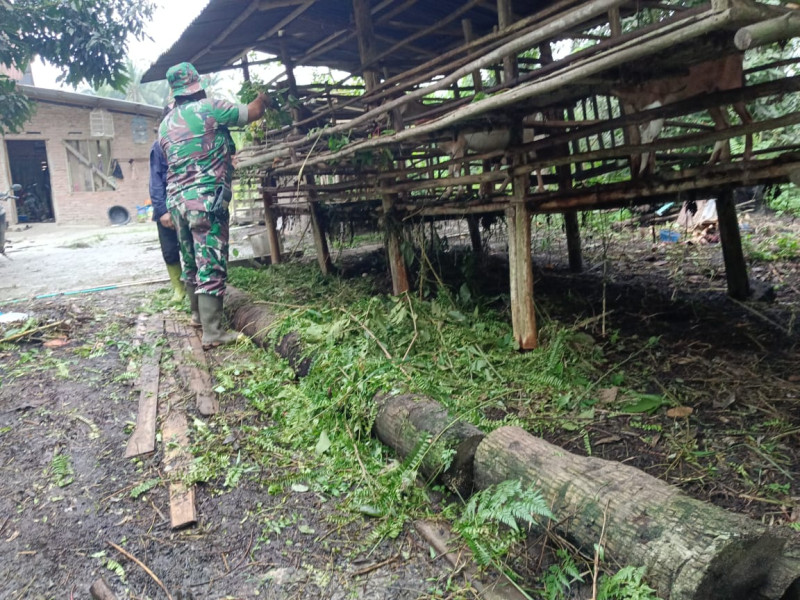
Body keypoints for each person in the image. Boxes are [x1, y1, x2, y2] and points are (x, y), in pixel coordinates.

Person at [159, 62, 269, 349]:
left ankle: (197, 316)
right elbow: (253, 112)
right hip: (205, 200)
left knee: (191, 259)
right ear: (196, 85)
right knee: (211, 260)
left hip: (177, 202)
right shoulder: (210, 108)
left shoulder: (165, 123)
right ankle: (213, 332)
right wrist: (264, 96)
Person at [149, 129, 190, 308]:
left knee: (191, 249)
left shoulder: (192, 140)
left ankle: (194, 288)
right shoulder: (158, 146)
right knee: (170, 251)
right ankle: (178, 289)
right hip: (167, 205)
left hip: (189, 205)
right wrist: (162, 211)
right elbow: (155, 180)